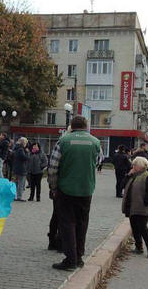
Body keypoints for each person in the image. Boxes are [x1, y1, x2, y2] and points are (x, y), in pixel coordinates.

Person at [48, 116, 101, 270]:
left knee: (67, 224)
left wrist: (53, 187)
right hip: (86, 189)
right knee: (82, 223)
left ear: (72, 125)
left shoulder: (63, 141)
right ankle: (79, 257)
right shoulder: (96, 142)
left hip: (66, 189)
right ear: (86, 126)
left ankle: (70, 260)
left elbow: (52, 168)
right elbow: (98, 162)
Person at [121, 157, 148, 258]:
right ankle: (138, 246)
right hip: (132, 207)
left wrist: (145, 203)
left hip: (142, 208)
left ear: (140, 166)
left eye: (135, 165)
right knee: (134, 228)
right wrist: (128, 175)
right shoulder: (132, 175)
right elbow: (122, 185)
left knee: (143, 228)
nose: (133, 166)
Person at [12, 137, 29, 201]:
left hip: (16, 167)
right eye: (26, 143)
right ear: (24, 143)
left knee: (16, 183)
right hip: (21, 168)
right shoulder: (21, 149)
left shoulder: (15, 148)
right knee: (21, 183)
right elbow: (24, 158)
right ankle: (19, 196)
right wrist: (27, 153)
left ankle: (15, 196)